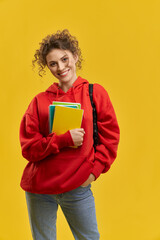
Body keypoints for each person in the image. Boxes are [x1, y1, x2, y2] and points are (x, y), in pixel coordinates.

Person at [19, 29, 120, 240]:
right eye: (53, 63)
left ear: (75, 56)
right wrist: (63, 139)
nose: (61, 67)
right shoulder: (39, 101)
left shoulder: (95, 93)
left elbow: (110, 138)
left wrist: (94, 172)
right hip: (40, 189)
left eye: (64, 59)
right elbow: (29, 148)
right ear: (47, 67)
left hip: (77, 187)